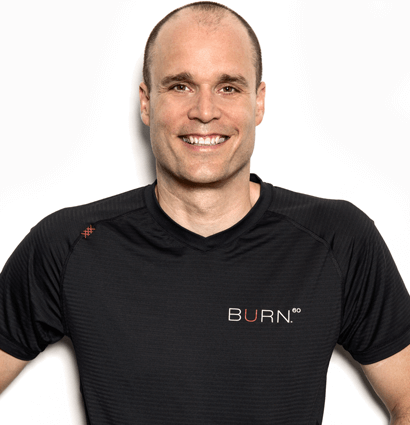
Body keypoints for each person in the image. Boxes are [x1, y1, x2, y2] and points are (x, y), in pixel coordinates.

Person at [1, 1, 410, 423]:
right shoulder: (72, 243)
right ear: (146, 102)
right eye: (180, 86)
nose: (205, 111)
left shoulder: (337, 241)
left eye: (228, 87)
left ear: (258, 102)